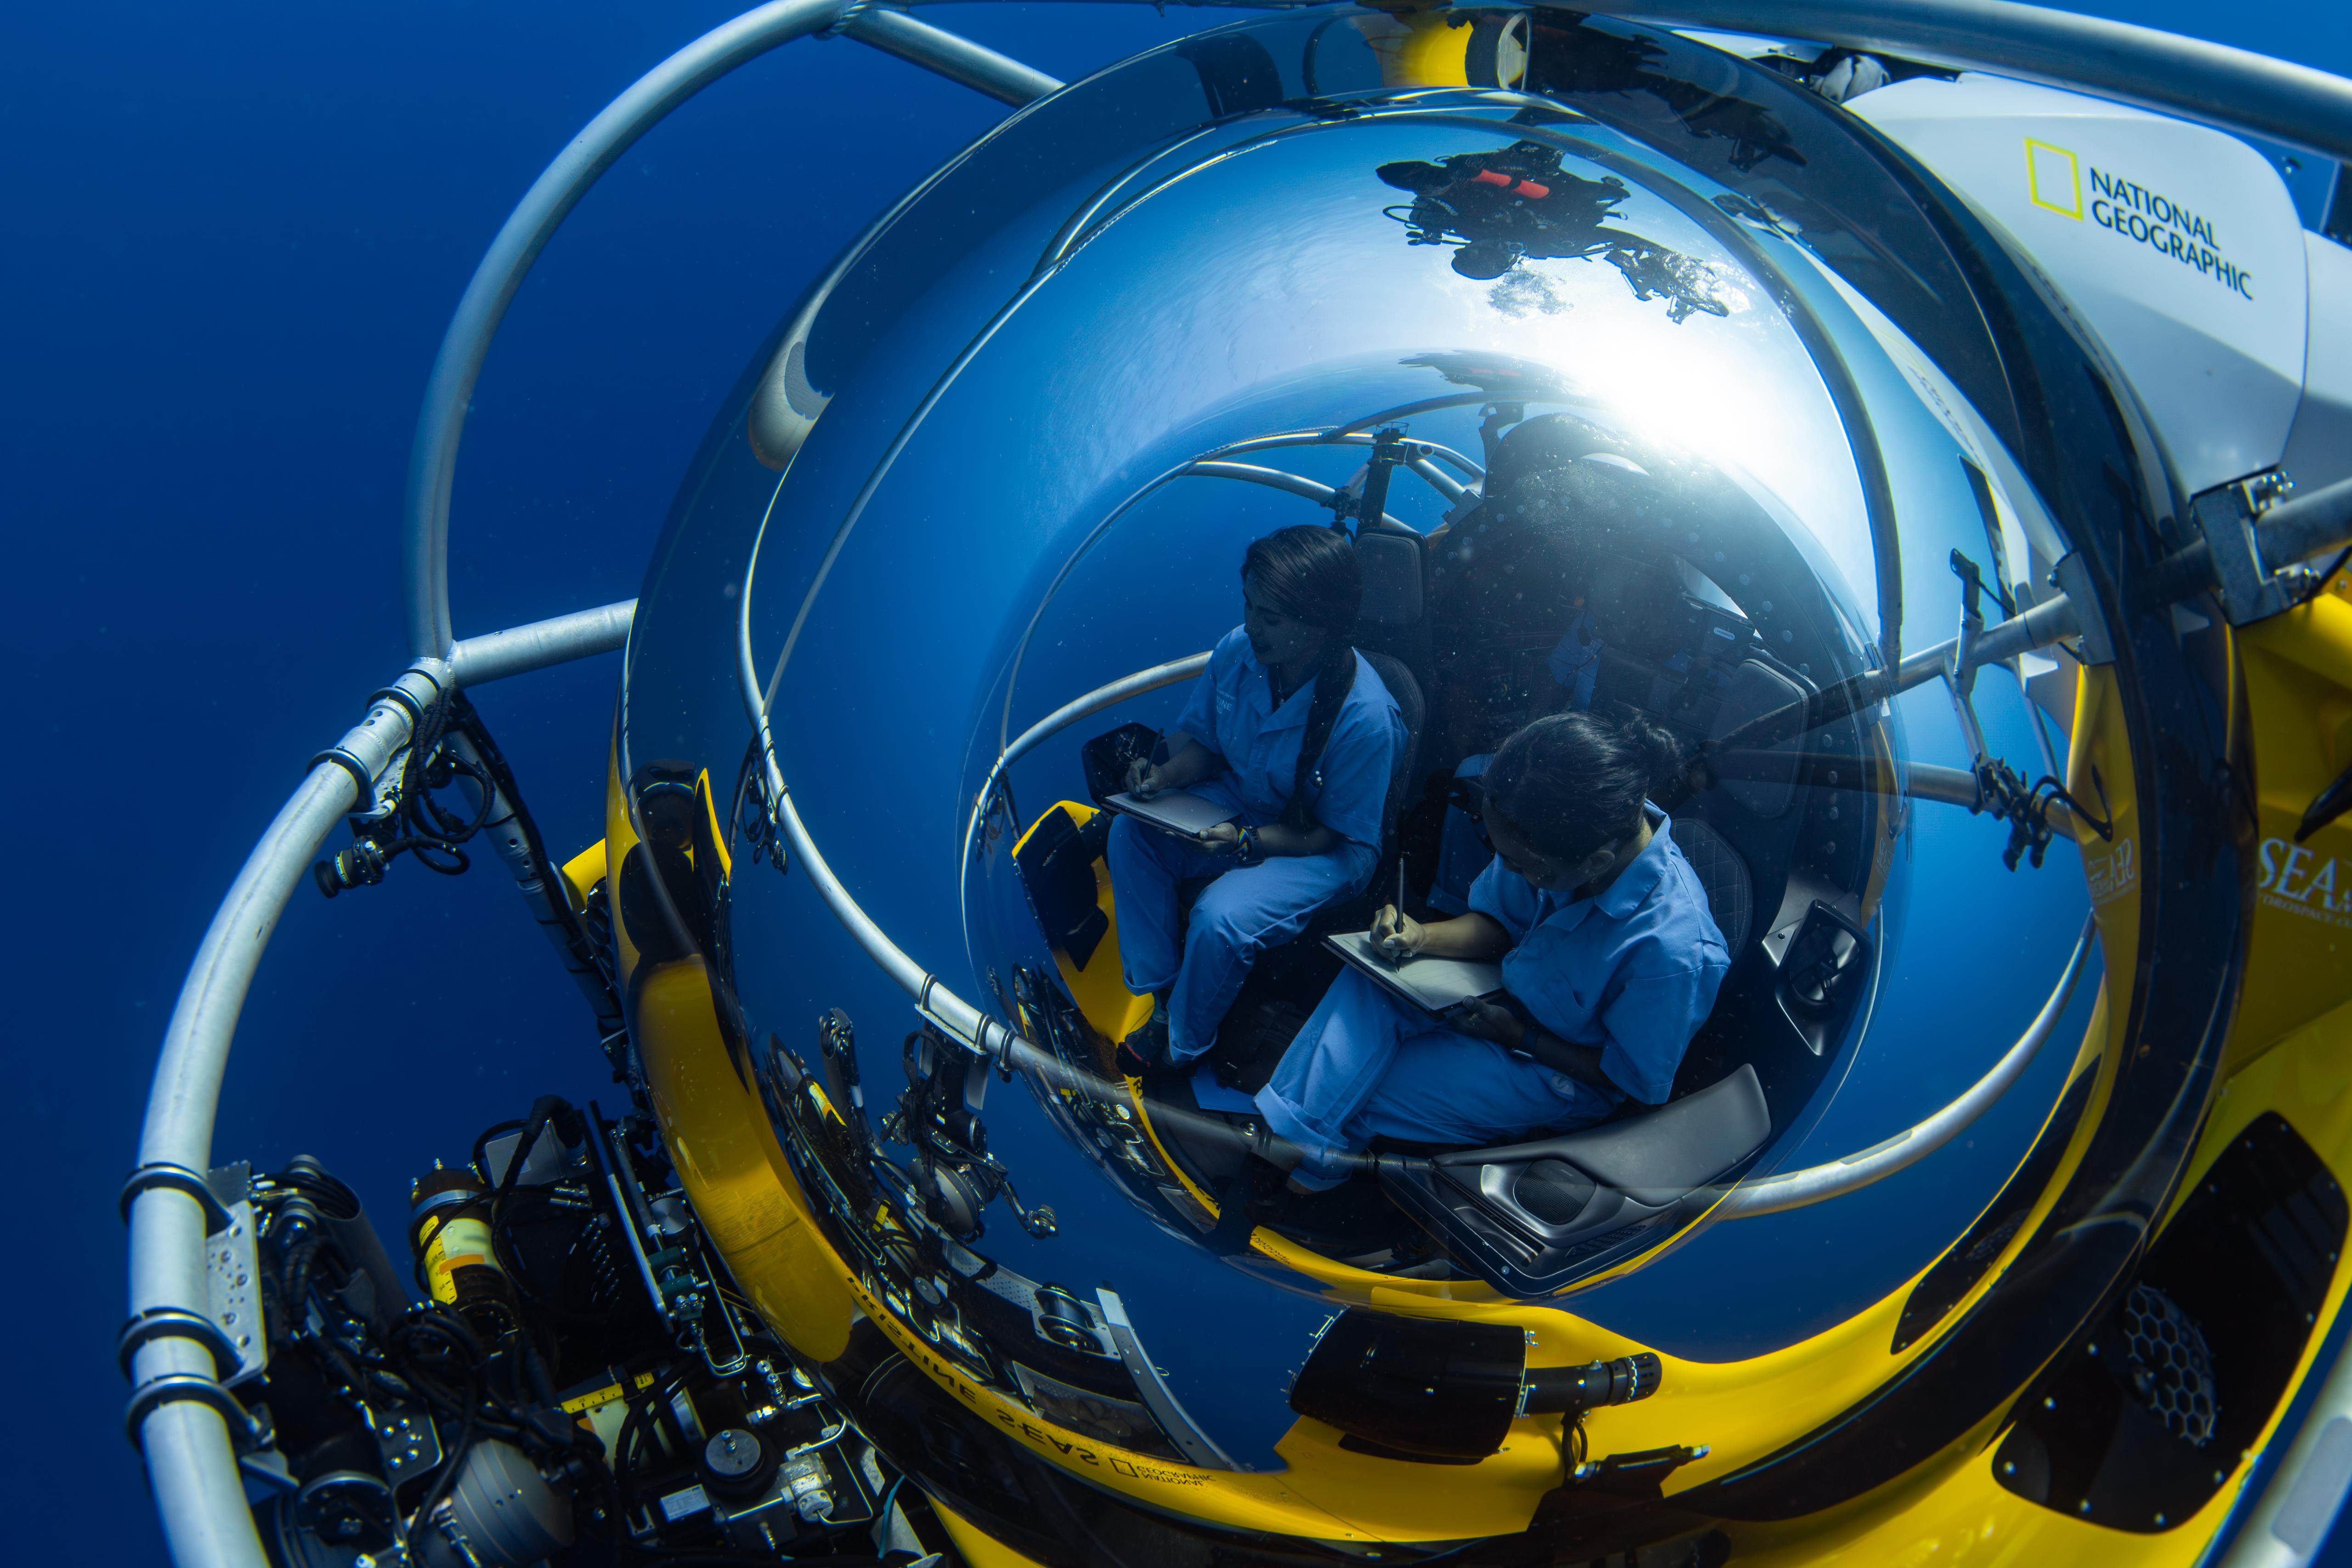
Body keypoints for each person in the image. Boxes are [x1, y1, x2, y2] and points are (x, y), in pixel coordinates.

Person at [1255, 708, 1729, 1191]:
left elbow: (1626, 1080)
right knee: (1371, 976)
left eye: (1521, 866)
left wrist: (1519, 1037)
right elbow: (1500, 924)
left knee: (1360, 1090)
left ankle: (1290, 1174)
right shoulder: (1550, 832)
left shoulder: (1675, 951)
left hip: (1555, 1068)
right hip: (1497, 998)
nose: (1506, 868)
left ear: (1597, 862)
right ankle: (1291, 1148)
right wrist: (1421, 936)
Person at [1107, 525, 1406, 1076]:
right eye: (1248, 605)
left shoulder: (1366, 719)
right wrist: (1164, 774)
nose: (1250, 627)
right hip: (1247, 798)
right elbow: (1208, 744)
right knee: (1131, 834)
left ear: (1322, 626)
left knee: (1221, 917)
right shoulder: (1237, 651)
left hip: (1325, 845)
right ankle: (1160, 991)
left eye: (1270, 619)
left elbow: (1329, 834)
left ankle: (1183, 1043)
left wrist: (1246, 842)